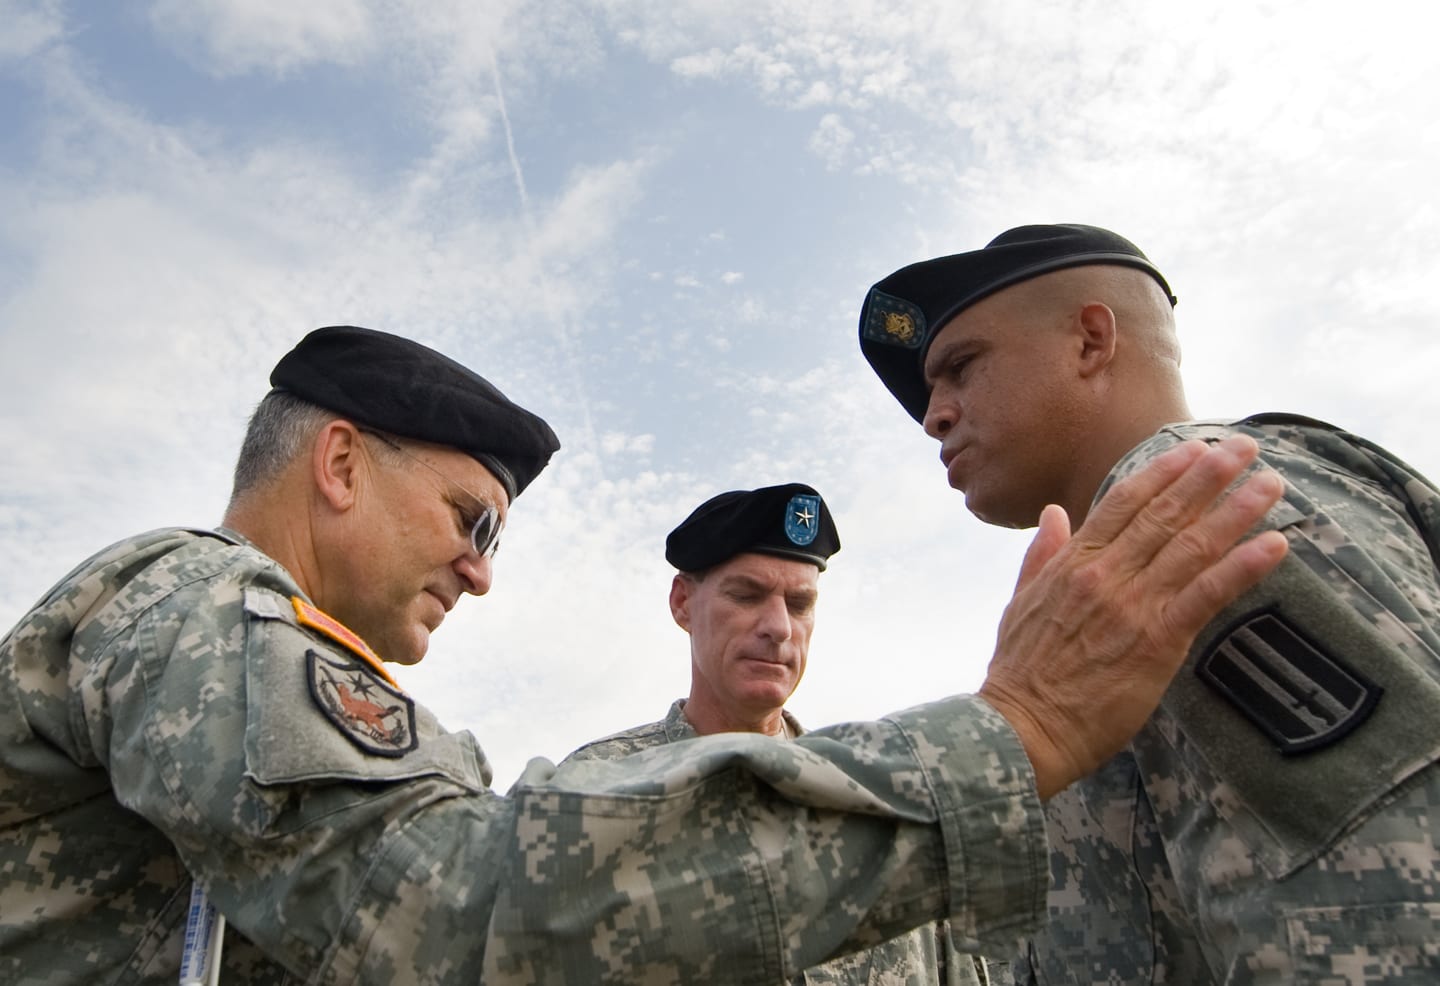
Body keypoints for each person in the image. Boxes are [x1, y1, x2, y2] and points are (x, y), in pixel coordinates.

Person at [0, 324, 1289, 986]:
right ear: (339, 462)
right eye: (470, 518)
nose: (482, 569)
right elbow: (452, 904)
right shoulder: (189, 605)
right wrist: (1014, 736)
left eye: (802, 599)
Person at [858, 224, 1440, 985]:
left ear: (1091, 341)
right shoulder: (1115, 568)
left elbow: (1388, 908)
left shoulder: (1193, 504)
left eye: (961, 367)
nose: (935, 414)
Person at [566, 482, 997, 985]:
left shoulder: (884, 808)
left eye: (799, 603)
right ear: (683, 602)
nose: (779, 627)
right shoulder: (591, 791)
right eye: (746, 595)